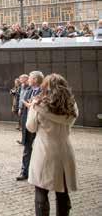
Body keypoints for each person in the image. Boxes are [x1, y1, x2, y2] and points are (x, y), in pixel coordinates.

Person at [26, 74, 78, 216]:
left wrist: (32, 108)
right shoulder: (71, 105)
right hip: (65, 149)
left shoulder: (38, 104)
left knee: (41, 189)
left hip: (44, 150)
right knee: (63, 191)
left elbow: (30, 127)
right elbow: (70, 122)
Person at [16, 71, 43, 181]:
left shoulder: (45, 92)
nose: (28, 80)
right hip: (28, 125)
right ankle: (24, 172)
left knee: (40, 150)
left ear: (35, 80)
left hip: (40, 127)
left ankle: (39, 173)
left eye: (30, 78)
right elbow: (24, 109)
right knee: (27, 149)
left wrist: (32, 106)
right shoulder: (28, 91)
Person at [14, 74, 30, 144]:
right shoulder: (21, 87)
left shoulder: (29, 87)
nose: (20, 80)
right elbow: (20, 98)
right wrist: (19, 108)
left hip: (27, 108)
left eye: (21, 78)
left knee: (27, 125)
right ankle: (24, 141)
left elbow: (25, 98)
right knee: (23, 125)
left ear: (25, 79)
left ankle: (27, 141)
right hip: (22, 108)